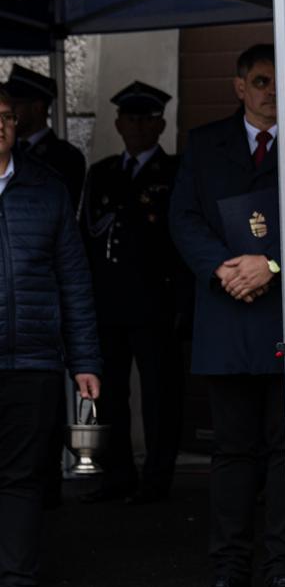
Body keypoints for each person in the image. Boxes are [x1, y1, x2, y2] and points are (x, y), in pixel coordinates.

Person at [170, 44, 285, 587]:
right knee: (231, 452)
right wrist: (222, 269)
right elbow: (184, 218)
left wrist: (272, 262)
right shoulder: (204, 144)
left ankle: (281, 566)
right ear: (239, 87)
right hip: (229, 314)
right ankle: (228, 565)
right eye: (261, 81)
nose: (272, 92)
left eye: (281, 82)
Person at [0, 85, 102, 587]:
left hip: (33, 363)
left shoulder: (46, 187)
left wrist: (84, 360)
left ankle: (17, 576)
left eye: (5, 116)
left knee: (22, 479)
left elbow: (74, 280)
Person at [77, 82, 186, 506]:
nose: (138, 126)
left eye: (147, 118)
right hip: (108, 304)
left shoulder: (175, 171)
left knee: (161, 397)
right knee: (110, 395)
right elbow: (89, 237)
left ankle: (157, 478)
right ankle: (118, 474)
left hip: (157, 304)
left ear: (160, 123)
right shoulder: (102, 172)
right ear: (119, 123)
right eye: (131, 118)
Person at [4, 67, 85, 195]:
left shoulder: (65, 157)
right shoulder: (6, 149)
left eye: (14, 105)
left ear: (37, 108)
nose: (8, 113)